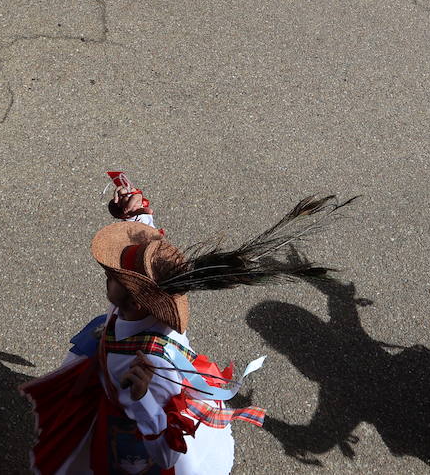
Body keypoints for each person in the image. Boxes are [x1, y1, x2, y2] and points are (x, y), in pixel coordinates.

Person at [23, 180, 354, 474]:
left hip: (131, 432)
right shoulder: (142, 307)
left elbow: (166, 452)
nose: (106, 276)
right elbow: (148, 261)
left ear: (137, 301)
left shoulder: (151, 366)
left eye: (112, 277)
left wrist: (142, 402)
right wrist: (136, 216)